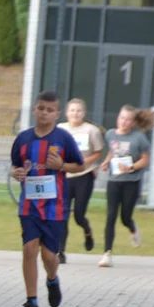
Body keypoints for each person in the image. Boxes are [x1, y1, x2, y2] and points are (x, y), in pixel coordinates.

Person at [10, 91, 84, 307]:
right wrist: (17, 173)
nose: (44, 113)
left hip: (55, 206)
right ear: (34, 109)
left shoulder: (63, 139)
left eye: (50, 110)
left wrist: (62, 165)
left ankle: (52, 279)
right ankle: (31, 300)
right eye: (41, 108)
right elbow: (14, 167)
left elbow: (79, 166)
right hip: (29, 205)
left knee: (49, 256)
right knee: (29, 249)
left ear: (57, 114)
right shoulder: (23, 139)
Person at [96, 105, 154, 268]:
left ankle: (132, 228)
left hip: (132, 181)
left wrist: (131, 167)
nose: (124, 122)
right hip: (114, 181)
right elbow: (112, 151)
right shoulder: (111, 134)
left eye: (128, 119)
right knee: (111, 216)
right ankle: (107, 253)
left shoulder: (139, 138)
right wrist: (107, 162)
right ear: (118, 118)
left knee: (125, 217)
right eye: (122, 118)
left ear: (134, 122)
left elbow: (145, 160)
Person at [56, 98, 105, 263]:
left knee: (78, 214)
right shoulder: (60, 129)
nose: (75, 114)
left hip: (84, 175)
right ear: (66, 113)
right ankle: (60, 251)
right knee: (62, 215)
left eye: (78, 111)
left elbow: (98, 152)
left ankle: (87, 230)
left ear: (83, 113)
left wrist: (86, 162)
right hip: (64, 176)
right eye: (72, 110)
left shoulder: (91, 130)